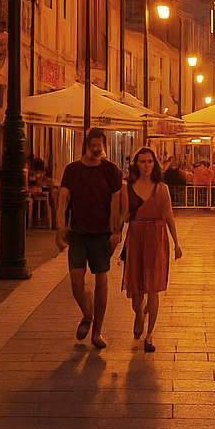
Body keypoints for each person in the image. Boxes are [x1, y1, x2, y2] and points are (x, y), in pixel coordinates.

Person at [56, 128, 125, 349]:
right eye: (93, 145)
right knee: (76, 282)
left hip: (102, 234)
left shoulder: (111, 171)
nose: (96, 149)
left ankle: (97, 332)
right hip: (78, 233)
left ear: (104, 145)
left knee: (101, 282)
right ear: (86, 145)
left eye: (99, 145)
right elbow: (63, 198)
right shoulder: (73, 170)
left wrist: (117, 232)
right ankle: (87, 315)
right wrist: (60, 227)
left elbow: (119, 202)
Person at [122, 147, 183, 352]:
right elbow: (123, 215)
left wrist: (176, 242)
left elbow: (168, 215)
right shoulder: (128, 187)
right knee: (137, 288)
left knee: (153, 288)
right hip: (136, 235)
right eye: (142, 162)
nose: (146, 165)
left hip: (157, 237)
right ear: (136, 164)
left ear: (154, 164)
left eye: (149, 161)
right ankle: (139, 315)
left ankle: (149, 335)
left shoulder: (161, 188)